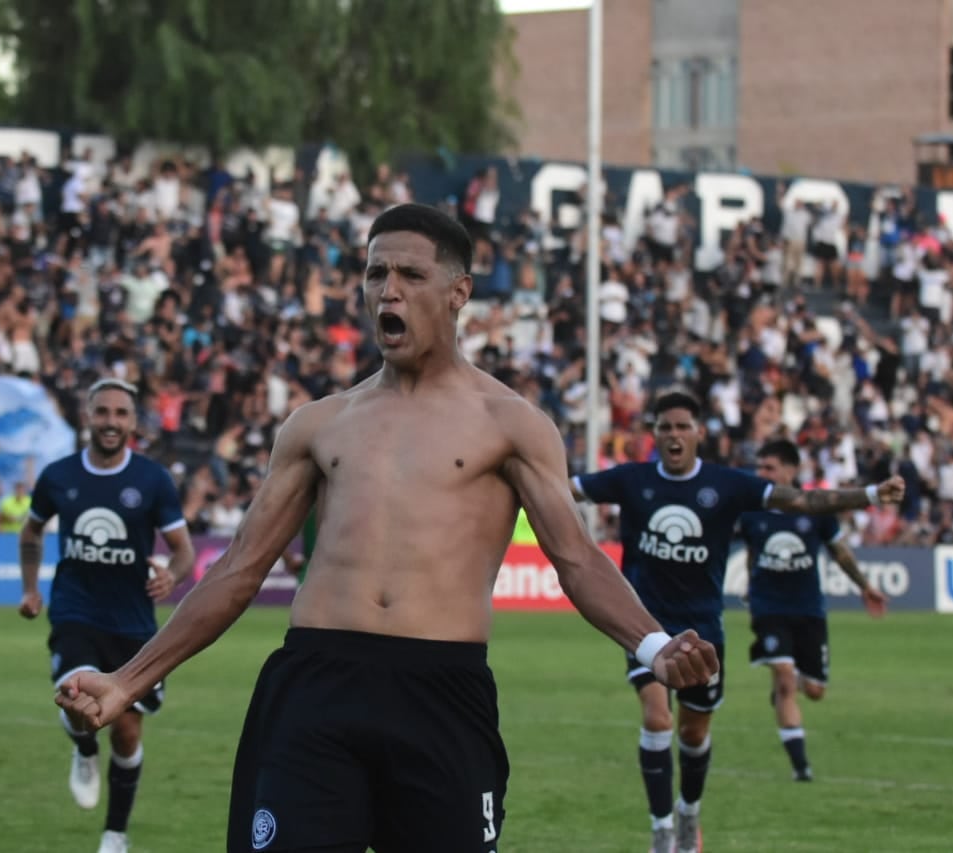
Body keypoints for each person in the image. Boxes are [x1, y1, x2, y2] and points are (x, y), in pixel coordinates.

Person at [57, 203, 719, 853]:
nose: (387, 291)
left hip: (441, 692)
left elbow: (575, 558)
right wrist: (126, 681)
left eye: (408, 274)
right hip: (316, 684)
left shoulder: (511, 424)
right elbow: (236, 571)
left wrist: (653, 645)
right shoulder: (319, 424)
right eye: (376, 274)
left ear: (458, 292)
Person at [570, 392, 903, 853]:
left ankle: (688, 811)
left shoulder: (728, 485)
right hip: (643, 623)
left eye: (683, 426)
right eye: (665, 427)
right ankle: (661, 826)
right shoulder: (632, 480)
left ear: (700, 432)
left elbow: (802, 502)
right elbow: (562, 488)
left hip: (704, 626)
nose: (674, 435)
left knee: (693, 732)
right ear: (655, 434)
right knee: (656, 716)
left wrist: (867, 495)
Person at [18, 378, 197, 853]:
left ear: (134, 422)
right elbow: (31, 533)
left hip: (134, 624)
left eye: (121, 414)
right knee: (79, 698)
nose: (111, 422)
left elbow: (183, 552)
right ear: (87, 417)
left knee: (126, 727)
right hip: (76, 613)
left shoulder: (153, 480)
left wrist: (171, 578)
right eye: (102, 412)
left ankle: (115, 834)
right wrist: (32, 589)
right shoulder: (58, 477)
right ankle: (82, 749)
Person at [737, 439, 887, 781]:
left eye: (769, 468)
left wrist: (865, 587)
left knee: (815, 691)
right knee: (786, 679)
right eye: (759, 468)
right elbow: (751, 551)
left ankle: (784, 685)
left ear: (791, 470)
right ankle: (801, 767)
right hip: (768, 607)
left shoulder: (815, 509)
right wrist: (749, 581)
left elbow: (840, 552)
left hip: (808, 609)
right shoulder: (750, 510)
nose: (761, 474)